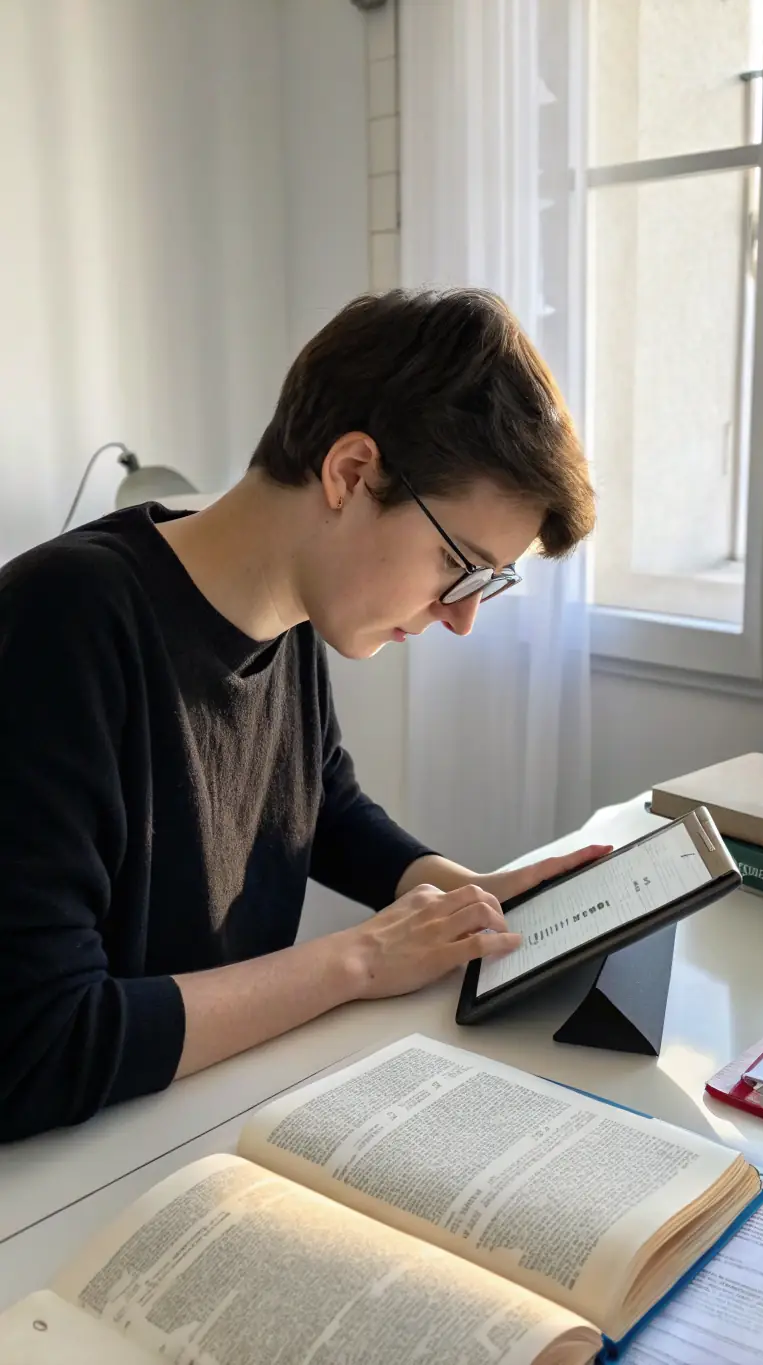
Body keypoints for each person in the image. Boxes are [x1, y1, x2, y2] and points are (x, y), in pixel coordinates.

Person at [0, 287, 604, 1143]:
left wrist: (463, 888)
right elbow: (37, 1041)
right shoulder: (65, 621)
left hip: (196, 1124)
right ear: (351, 472)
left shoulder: (288, 620)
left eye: (486, 584)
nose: (462, 617)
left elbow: (318, 807)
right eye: (459, 566)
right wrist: (357, 960)